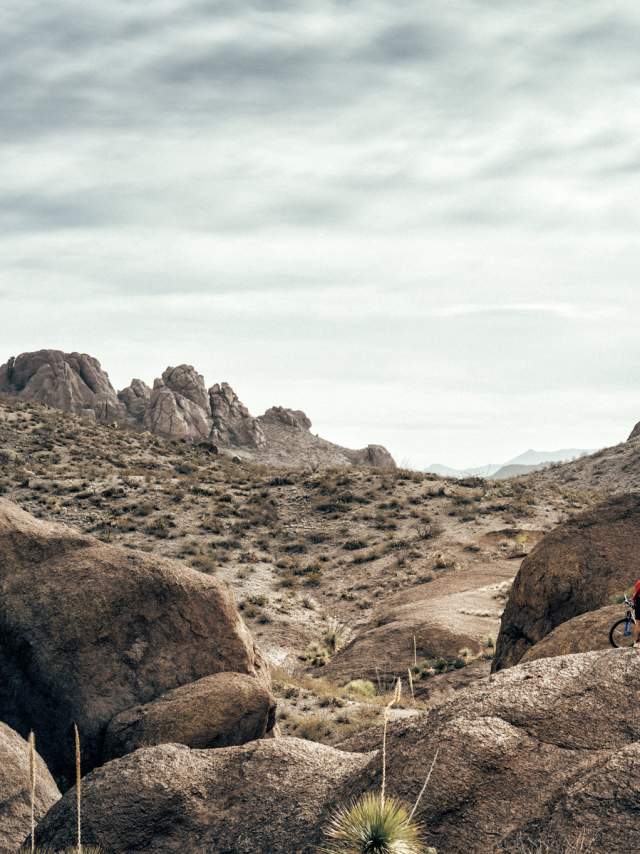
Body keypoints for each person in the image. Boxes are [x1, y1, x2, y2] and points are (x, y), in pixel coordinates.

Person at [632, 580, 640, 646]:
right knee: (638, 623)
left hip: (637, 602)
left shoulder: (638, 582)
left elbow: (635, 593)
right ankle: (637, 642)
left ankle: (637, 641)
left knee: (638, 622)